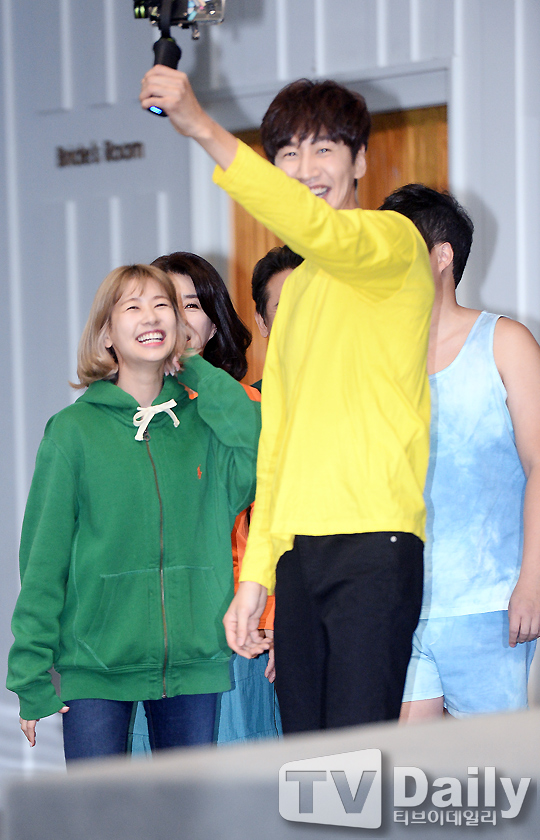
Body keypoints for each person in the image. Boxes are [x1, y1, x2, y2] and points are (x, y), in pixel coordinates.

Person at [140, 71, 434, 733]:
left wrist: (201, 127)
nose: (305, 169)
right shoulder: (297, 292)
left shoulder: (392, 243)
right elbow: (279, 447)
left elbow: (318, 227)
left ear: (360, 160)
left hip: (374, 542)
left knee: (354, 761)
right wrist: (257, 579)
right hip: (299, 553)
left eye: (325, 148)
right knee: (306, 761)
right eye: (289, 154)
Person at [6, 264, 261, 760]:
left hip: (193, 666)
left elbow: (258, 447)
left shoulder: (206, 427)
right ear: (106, 334)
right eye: (133, 306)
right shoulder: (73, 432)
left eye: (163, 305)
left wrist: (192, 366)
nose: (151, 315)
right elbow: (43, 562)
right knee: (99, 807)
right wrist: (29, 673)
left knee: (185, 807)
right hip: (93, 667)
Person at [378, 184, 540, 720]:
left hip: (489, 604)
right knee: (406, 766)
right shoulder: (380, 358)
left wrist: (533, 580)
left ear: (442, 255)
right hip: (401, 601)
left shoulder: (505, 341)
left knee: (492, 768)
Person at [152, 250, 281, 743]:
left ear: (213, 325)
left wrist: (271, 621)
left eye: (190, 305)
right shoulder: (113, 416)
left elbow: (273, 521)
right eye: (162, 304)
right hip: (143, 637)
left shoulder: (247, 407)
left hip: (231, 627)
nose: (174, 319)